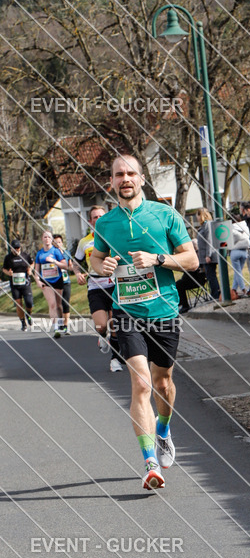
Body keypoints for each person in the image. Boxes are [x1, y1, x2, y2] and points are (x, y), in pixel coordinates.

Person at [89, 154, 198, 491]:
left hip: (164, 311)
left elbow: (191, 260)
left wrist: (159, 258)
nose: (125, 179)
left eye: (131, 173)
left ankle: (163, 428)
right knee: (141, 385)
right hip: (127, 313)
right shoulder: (105, 223)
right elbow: (96, 258)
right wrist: (100, 267)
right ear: (112, 181)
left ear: (141, 178)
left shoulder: (165, 215)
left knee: (163, 383)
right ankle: (150, 462)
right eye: (119, 174)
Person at [75, 204, 124, 372]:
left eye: (101, 216)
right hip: (95, 287)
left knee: (116, 325)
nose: (98, 219)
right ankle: (102, 336)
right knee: (102, 326)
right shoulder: (85, 242)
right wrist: (78, 273)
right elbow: (75, 262)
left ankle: (115, 360)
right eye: (95, 217)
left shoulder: (114, 237)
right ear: (90, 221)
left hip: (114, 285)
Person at [34, 230, 67, 338]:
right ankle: (56, 328)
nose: (47, 239)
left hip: (57, 279)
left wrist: (54, 262)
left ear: (51, 239)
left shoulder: (56, 251)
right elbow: (36, 270)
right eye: (45, 237)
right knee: (52, 304)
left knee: (58, 305)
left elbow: (64, 265)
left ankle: (61, 323)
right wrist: (38, 281)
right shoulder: (40, 254)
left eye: (49, 237)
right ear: (42, 239)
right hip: (46, 281)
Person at [3, 238, 34, 330]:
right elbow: (4, 269)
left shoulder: (25, 255)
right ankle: (23, 322)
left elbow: (32, 263)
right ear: (11, 248)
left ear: (20, 248)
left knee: (29, 302)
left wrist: (30, 269)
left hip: (25, 282)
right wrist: (8, 273)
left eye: (18, 248)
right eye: (14, 248)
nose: (16, 250)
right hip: (15, 284)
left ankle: (28, 314)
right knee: (19, 303)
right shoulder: (8, 258)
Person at [197, 208, 221, 301]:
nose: (197, 218)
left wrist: (208, 255)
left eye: (198, 216)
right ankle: (216, 293)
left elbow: (209, 240)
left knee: (211, 275)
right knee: (210, 275)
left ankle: (215, 294)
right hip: (204, 256)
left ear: (201, 215)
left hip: (208, 256)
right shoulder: (204, 226)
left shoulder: (207, 225)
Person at [52, 234, 74, 335]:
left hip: (66, 281)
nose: (58, 244)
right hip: (55, 282)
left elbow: (70, 266)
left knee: (66, 304)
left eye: (59, 242)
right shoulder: (51, 254)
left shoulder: (66, 253)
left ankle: (65, 326)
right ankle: (59, 323)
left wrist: (72, 268)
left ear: (62, 243)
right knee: (57, 304)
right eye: (55, 242)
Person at [229, 213, 250, 298]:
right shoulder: (245, 227)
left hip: (235, 252)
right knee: (238, 272)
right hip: (244, 251)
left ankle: (243, 289)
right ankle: (234, 289)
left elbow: (229, 241)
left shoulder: (231, 229)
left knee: (237, 272)